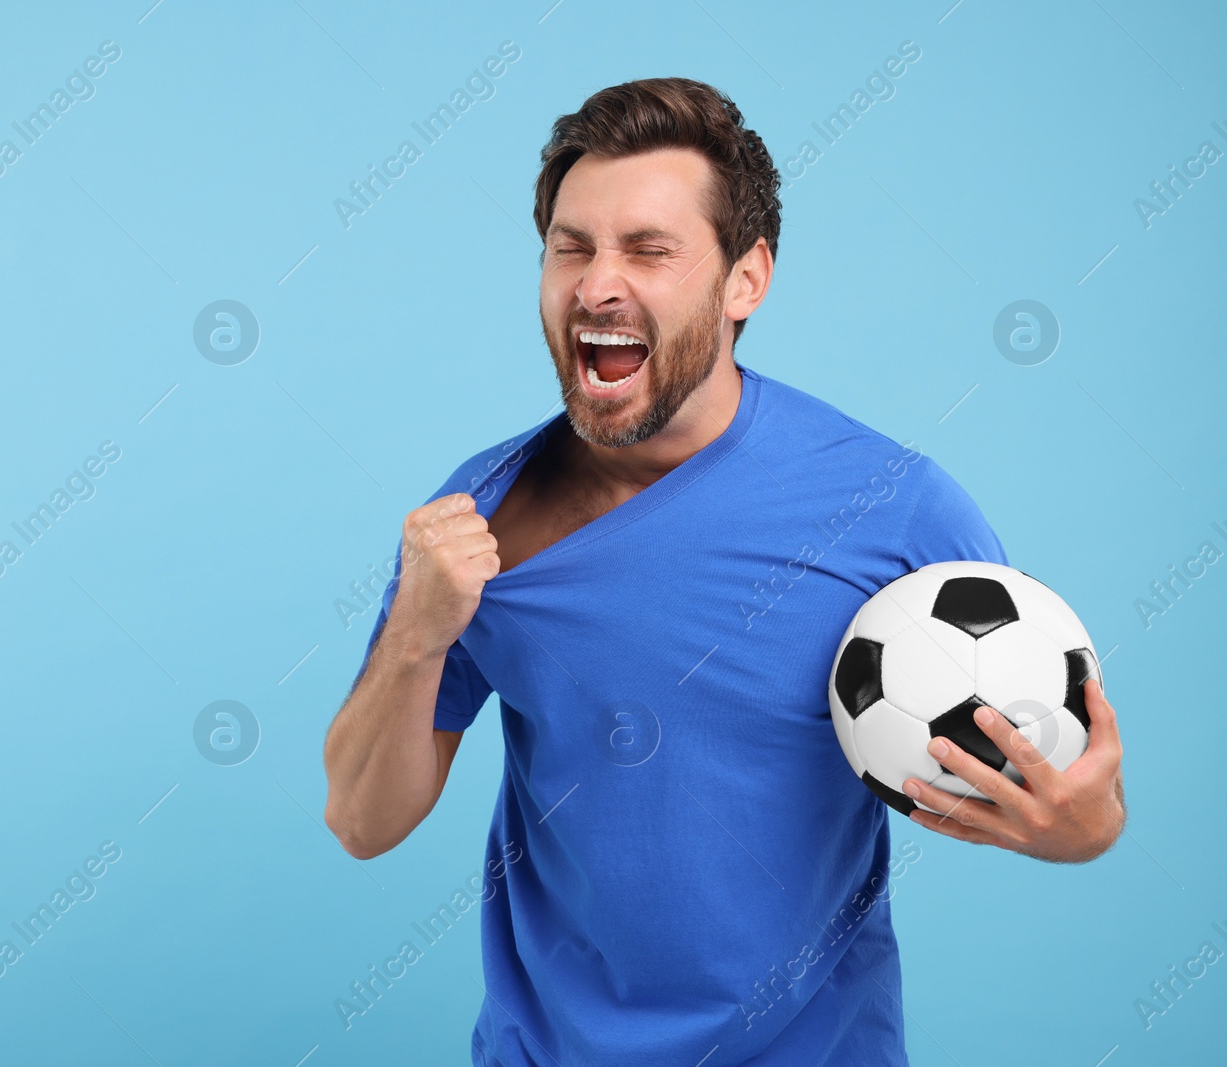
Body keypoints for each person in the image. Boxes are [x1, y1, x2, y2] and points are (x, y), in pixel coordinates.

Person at [321, 77, 1125, 1067]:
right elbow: (361, 819)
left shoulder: (891, 504)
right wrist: (417, 630)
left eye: (648, 249)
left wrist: (1079, 824)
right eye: (570, 247)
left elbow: (1075, 789)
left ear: (746, 279)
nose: (595, 283)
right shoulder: (480, 516)